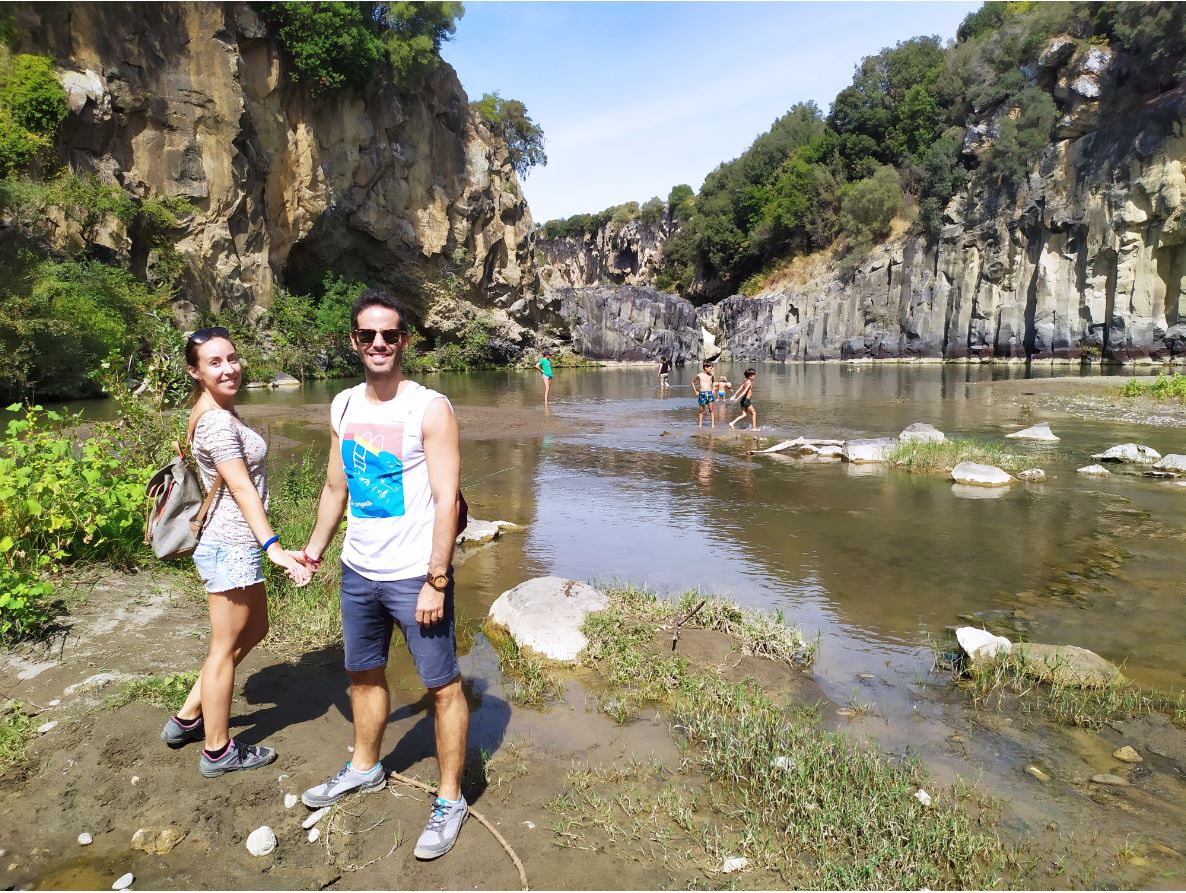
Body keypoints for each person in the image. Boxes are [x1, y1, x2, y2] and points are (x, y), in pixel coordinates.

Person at [298, 289, 469, 862]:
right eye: (368, 335)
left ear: (404, 341)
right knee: (364, 675)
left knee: (442, 688)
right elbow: (334, 487)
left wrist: (436, 578)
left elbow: (447, 500)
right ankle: (365, 767)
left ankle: (450, 799)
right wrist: (315, 551)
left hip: (414, 576)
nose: (378, 344)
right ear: (353, 341)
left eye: (389, 335)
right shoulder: (343, 406)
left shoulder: (429, 407)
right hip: (358, 571)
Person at [161, 326, 312, 777]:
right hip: (229, 545)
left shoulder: (216, 409)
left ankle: (188, 716)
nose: (229, 368)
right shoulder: (217, 422)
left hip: (234, 544)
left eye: (232, 358)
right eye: (214, 362)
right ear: (195, 370)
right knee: (223, 649)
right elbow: (242, 487)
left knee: (256, 627)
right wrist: (276, 548)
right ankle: (217, 750)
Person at [692, 360, 716, 428]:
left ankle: (712, 424)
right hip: (702, 393)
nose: (711, 369)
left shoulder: (711, 375)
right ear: (705, 367)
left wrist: (713, 389)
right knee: (701, 410)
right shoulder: (699, 375)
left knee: (711, 409)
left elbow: (713, 382)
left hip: (709, 393)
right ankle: (700, 424)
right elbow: (693, 382)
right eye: (710, 368)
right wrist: (695, 391)